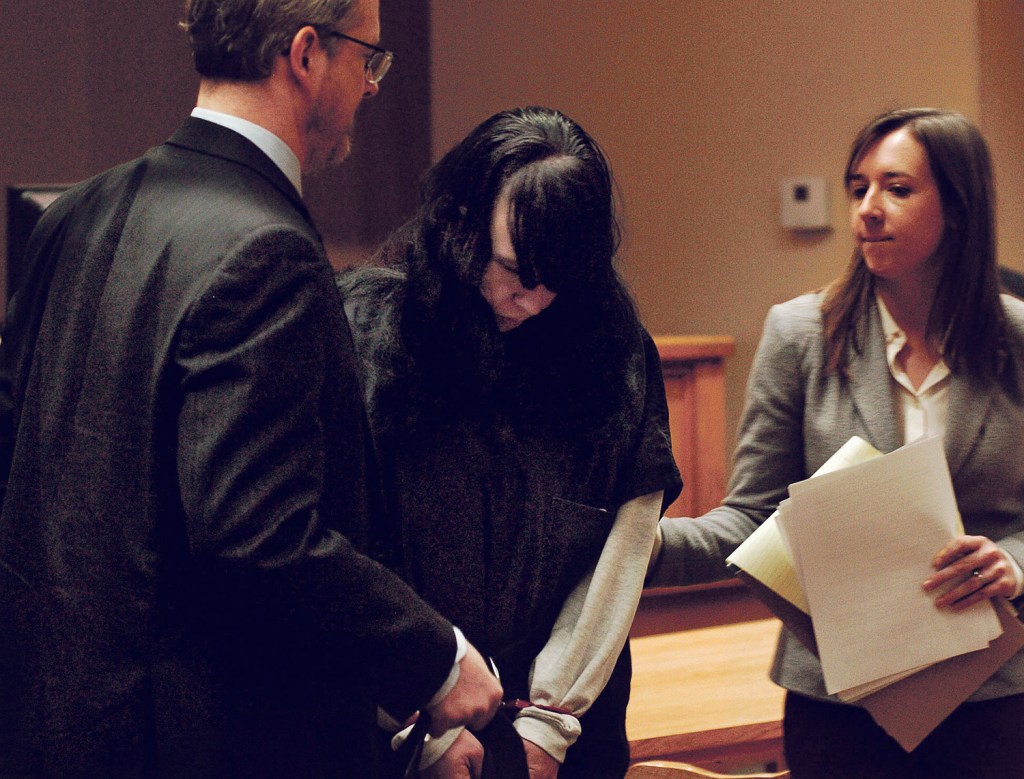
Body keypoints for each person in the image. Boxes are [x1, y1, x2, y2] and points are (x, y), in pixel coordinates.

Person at [0, 1, 503, 776]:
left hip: (51, 725)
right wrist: (436, 658)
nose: (372, 86)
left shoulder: (75, 213)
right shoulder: (266, 249)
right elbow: (258, 536)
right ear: (306, 55)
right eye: (368, 58)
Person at [647, 107, 1024, 778]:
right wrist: (632, 545)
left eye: (898, 189)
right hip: (837, 700)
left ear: (960, 207)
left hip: (992, 695)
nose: (869, 210)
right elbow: (751, 516)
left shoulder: (1018, 340)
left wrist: (1013, 561)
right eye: (858, 188)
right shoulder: (798, 335)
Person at [338, 106, 683, 778]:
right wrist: (419, 707)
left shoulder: (614, 350)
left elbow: (624, 542)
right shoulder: (368, 331)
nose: (529, 298)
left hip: (566, 728)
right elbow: (346, 543)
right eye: (509, 267)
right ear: (459, 222)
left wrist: (551, 723)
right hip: (403, 727)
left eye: (555, 279)